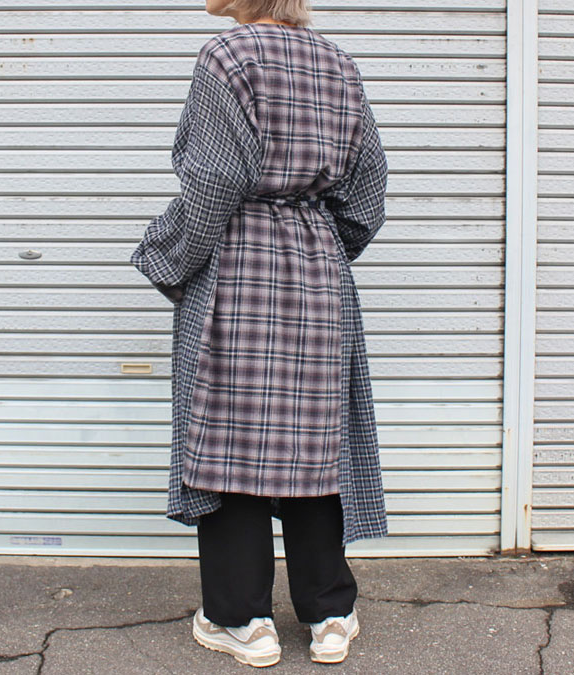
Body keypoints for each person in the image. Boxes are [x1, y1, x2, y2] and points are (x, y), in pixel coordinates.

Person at [130, 0, 389, 668]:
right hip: (317, 266)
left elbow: (214, 179)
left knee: (230, 434)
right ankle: (329, 613)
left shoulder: (228, 56)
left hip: (239, 262)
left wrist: (170, 256)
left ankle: (243, 619)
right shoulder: (338, 63)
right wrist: (323, 244)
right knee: (315, 434)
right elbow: (367, 194)